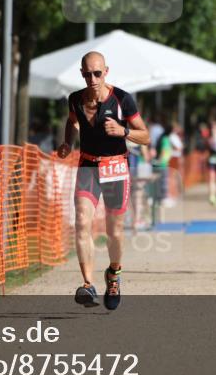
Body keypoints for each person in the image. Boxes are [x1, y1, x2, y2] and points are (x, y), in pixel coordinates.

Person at [57, 52, 149, 311]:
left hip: (115, 167)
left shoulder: (122, 99)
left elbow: (145, 136)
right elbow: (72, 121)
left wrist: (124, 131)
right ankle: (88, 284)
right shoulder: (75, 99)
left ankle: (114, 273)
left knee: (114, 231)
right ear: (82, 74)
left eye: (97, 73)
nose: (92, 79)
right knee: (81, 222)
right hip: (88, 165)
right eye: (87, 74)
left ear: (106, 71)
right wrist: (67, 143)